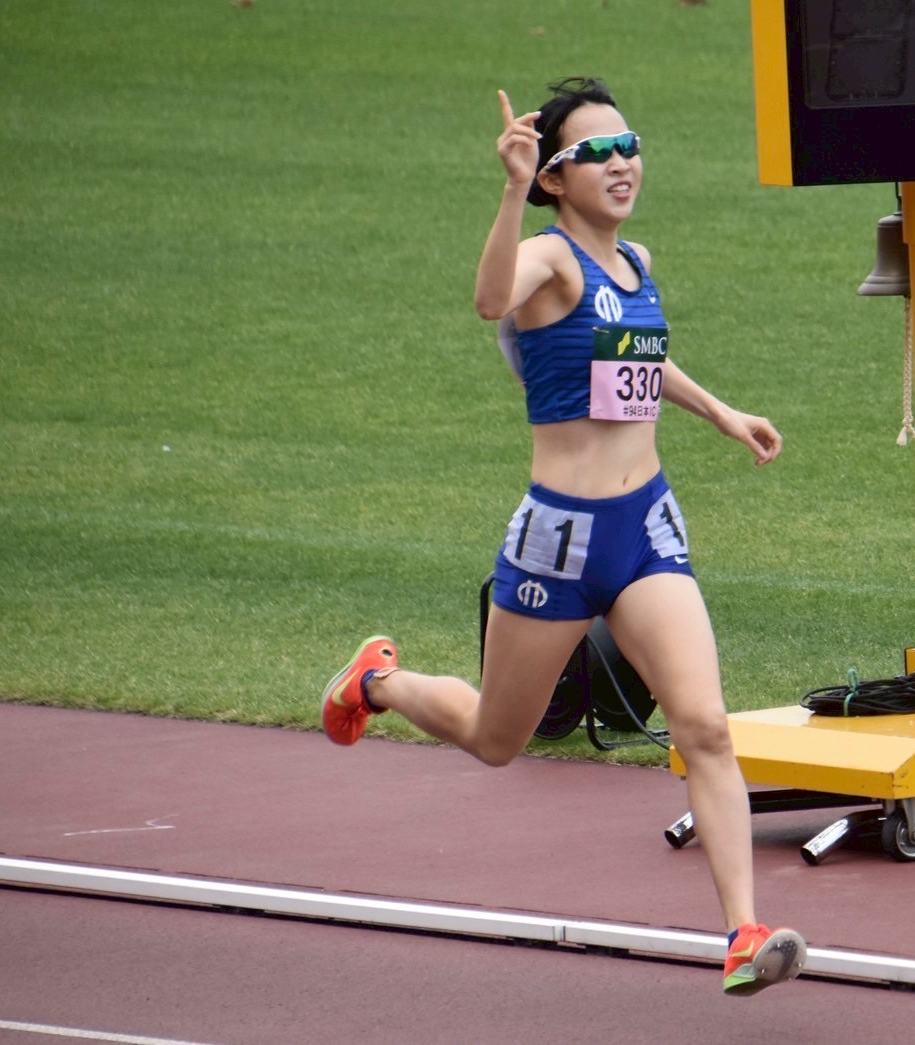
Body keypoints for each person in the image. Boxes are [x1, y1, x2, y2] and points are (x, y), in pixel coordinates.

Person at [319, 77, 805, 994]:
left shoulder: (636, 262)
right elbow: (486, 299)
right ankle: (377, 681)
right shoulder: (546, 259)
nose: (622, 164)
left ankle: (743, 932)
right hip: (560, 541)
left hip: (645, 527)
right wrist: (509, 192)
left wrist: (721, 412)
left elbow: (640, 358)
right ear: (553, 177)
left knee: (703, 725)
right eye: (595, 153)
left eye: (630, 145)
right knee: (497, 738)